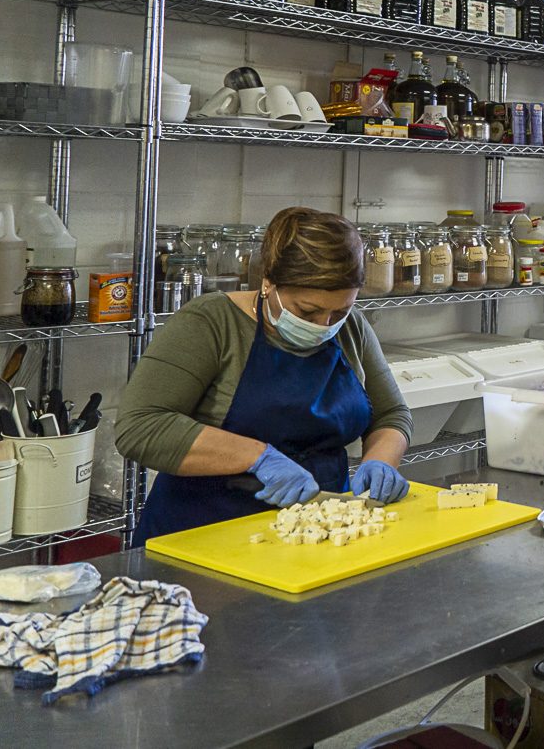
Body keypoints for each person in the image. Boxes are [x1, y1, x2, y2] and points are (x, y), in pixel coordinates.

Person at [122, 207, 413, 544]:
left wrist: (381, 463)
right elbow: (140, 426)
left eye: (340, 310)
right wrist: (258, 457)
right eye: (307, 311)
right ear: (268, 282)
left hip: (316, 533)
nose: (324, 325)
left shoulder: (350, 329)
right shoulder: (211, 323)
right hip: (205, 535)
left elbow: (391, 414)